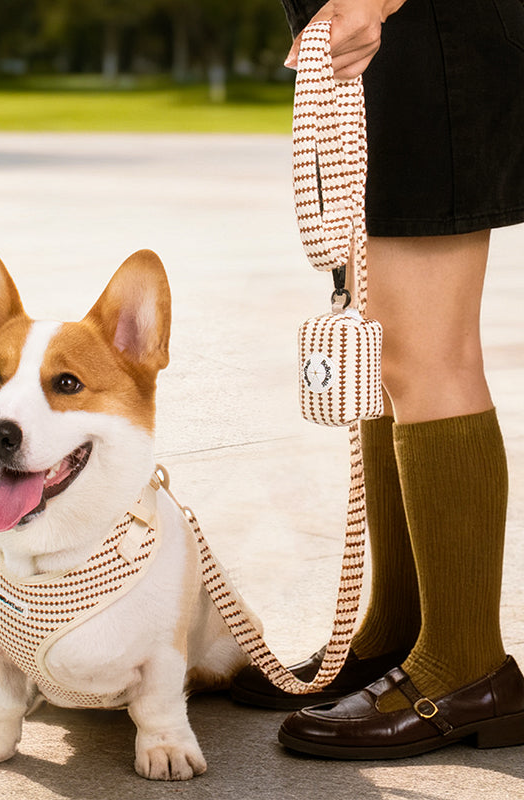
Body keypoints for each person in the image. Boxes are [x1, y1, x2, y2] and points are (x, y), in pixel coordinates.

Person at [231, 0, 524, 758]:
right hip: (389, 43)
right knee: (384, 346)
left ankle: (466, 669)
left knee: (428, 355)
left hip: (428, 31)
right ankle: (400, 634)